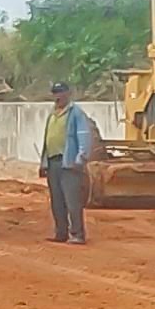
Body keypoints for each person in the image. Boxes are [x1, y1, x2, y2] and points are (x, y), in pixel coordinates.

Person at [39, 81, 94, 244]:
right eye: (55, 93)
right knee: (57, 201)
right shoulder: (52, 114)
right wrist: (43, 163)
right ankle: (61, 233)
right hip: (53, 162)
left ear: (68, 93)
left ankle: (77, 234)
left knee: (72, 201)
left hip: (69, 162)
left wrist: (81, 157)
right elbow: (47, 139)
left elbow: (84, 135)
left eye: (61, 92)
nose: (58, 96)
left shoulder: (76, 113)